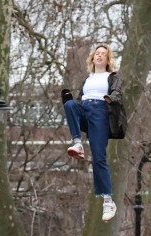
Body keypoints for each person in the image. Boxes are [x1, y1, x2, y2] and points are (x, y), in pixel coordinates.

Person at [62, 44, 123, 223]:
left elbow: (118, 93)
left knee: (98, 157)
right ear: (92, 57)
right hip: (86, 109)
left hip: (101, 113)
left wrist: (110, 99)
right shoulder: (87, 79)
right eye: (97, 53)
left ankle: (108, 200)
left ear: (108, 59)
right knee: (69, 104)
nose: (99, 56)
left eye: (103, 54)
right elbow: (80, 99)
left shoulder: (112, 78)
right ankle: (77, 142)